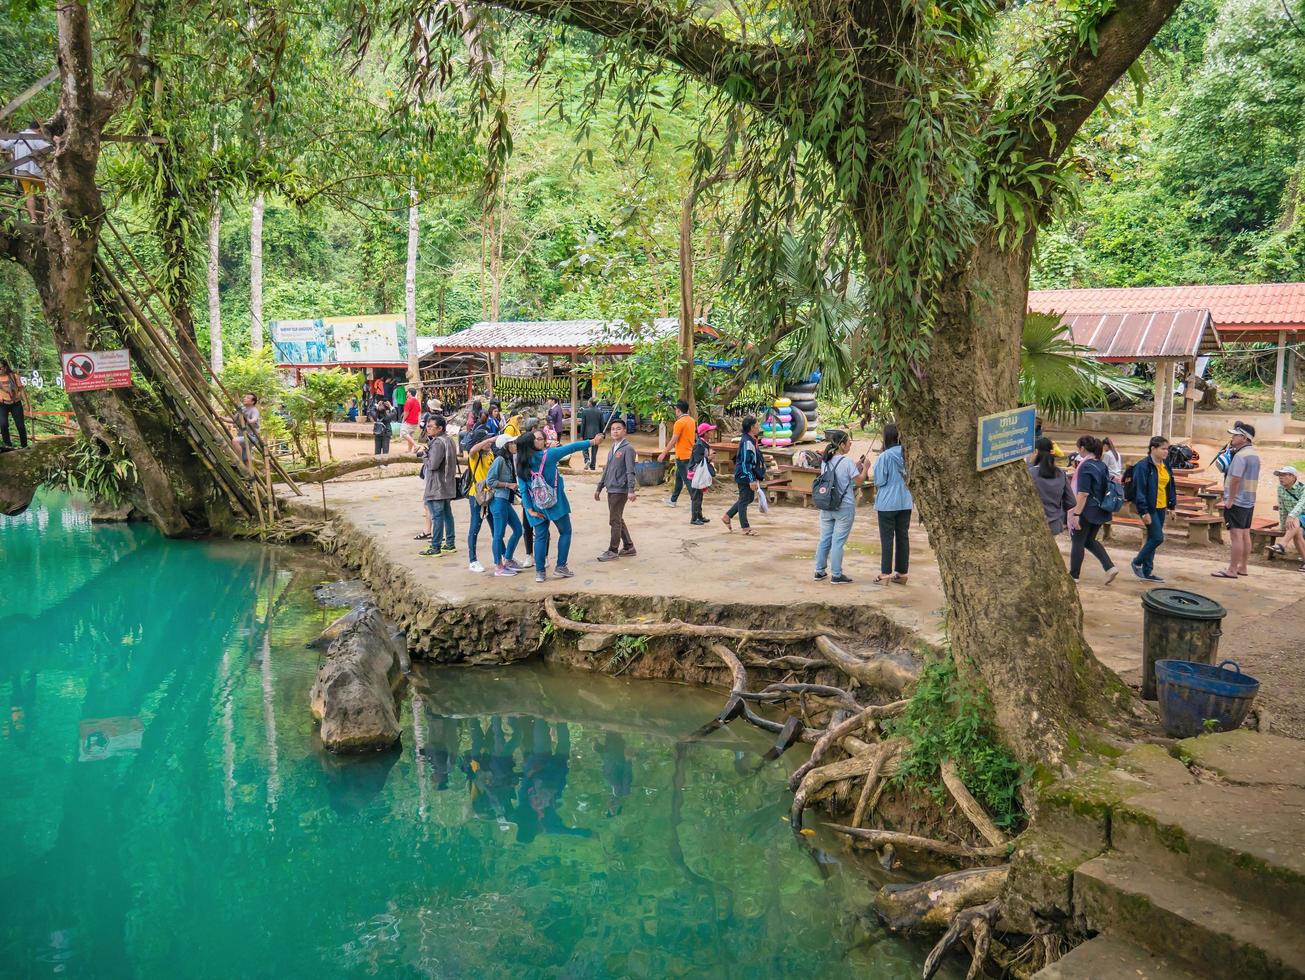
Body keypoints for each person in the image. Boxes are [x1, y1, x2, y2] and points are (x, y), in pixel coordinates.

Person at [516, 428, 602, 582]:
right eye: (535, 439)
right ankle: (560, 567)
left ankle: (540, 573)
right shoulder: (548, 455)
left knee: (540, 537)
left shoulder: (521, 463)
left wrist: (529, 510)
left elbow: (523, 490)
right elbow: (572, 447)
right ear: (531, 444)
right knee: (566, 532)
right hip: (556, 503)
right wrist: (593, 441)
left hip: (536, 505)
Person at [813, 429, 871, 584]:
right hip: (844, 507)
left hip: (826, 505)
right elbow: (858, 482)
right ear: (842, 444)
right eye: (849, 442)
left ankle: (819, 571)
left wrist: (856, 465)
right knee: (838, 541)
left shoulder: (825, 461)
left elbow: (839, 476)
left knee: (824, 539)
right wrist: (865, 467)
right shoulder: (846, 462)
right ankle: (837, 575)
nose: (850, 445)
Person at [1068, 434, 1119, 584]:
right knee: (1089, 540)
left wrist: (1076, 513)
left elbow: (1083, 493)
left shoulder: (1085, 466)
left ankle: (1074, 575)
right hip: (1100, 508)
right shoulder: (1101, 465)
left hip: (1086, 509)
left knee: (1077, 541)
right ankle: (1109, 567)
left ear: (1082, 448)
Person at [1214, 421, 1260, 579]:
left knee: (1236, 536)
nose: (1232, 437)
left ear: (1244, 438)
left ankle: (1232, 570)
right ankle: (1243, 567)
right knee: (1245, 534)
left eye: (1235, 435)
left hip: (1237, 501)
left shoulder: (1240, 456)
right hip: (1249, 500)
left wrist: (1230, 500)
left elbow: (1235, 479)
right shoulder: (1254, 455)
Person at [1130, 435, 1175, 582]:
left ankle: (1147, 572)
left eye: (1167, 449)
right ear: (1152, 449)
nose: (1166, 452)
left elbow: (1170, 486)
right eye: (1163, 449)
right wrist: (1143, 511)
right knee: (1157, 537)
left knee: (1152, 538)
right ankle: (1137, 562)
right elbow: (1139, 490)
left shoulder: (1165, 465)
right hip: (1150, 508)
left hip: (1162, 506)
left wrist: (1171, 506)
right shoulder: (1143, 466)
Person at [873, 422, 913, 584]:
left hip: (887, 504)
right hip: (905, 502)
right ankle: (902, 573)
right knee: (903, 537)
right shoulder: (908, 455)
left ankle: (885, 573)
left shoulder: (885, 456)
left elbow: (880, 481)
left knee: (887, 538)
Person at [594, 417, 638, 561]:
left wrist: (631, 489)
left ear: (624, 431)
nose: (615, 431)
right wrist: (599, 487)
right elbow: (606, 470)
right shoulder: (612, 448)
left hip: (620, 489)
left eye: (618, 428)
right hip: (610, 488)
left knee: (614, 520)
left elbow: (630, 470)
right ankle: (629, 546)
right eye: (613, 429)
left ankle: (613, 550)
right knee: (617, 518)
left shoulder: (628, 449)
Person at [485, 435, 525, 576]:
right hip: (498, 501)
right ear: (506, 446)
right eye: (512, 443)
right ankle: (499, 567)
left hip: (505, 501)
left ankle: (507, 559)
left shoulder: (509, 460)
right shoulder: (500, 460)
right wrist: (508, 485)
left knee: (518, 529)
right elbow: (489, 481)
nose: (515, 445)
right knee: (498, 535)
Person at [419, 415, 458, 556]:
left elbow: (433, 465)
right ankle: (450, 543)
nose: (427, 429)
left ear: (440, 428)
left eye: (430, 426)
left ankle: (435, 547)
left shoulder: (437, 443)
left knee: (437, 516)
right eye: (427, 426)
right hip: (448, 484)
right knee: (447, 514)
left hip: (437, 486)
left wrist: (424, 455)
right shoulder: (449, 440)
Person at [723, 416, 764, 535]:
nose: (758, 427)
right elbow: (746, 462)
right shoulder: (747, 442)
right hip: (744, 475)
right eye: (757, 425)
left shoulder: (751, 440)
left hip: (748, 474)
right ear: (752, 427)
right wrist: (751, 479)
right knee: (744, 499)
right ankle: (745, 527)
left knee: (748, 498)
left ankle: (727, 516)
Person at [0, 122, 49, 222]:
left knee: (29, 194)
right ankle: (46, 216)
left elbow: (5, 145)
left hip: (21, 171)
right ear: (38, 130)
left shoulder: (18, 136)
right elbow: (47, 148)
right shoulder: (35, 137)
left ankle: (33, 218)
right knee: (46, 194)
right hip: (35, 171)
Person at [1028, 437, 1074, 535]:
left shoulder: (1030, 474)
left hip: (1034, 525)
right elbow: (1071, 501)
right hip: (1055, 524)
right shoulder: (1061, 473)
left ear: (1036, 451)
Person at [464, 428, 495, 573]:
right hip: (476, 496)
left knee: (496, 528)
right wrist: (487, 441)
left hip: (490, 495)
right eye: (486, 441)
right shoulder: (475, 456)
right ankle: (473, 560)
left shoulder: (490, 454)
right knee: (475, 527)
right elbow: (471, 450)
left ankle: (501, 557)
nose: (490, 443)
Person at [659, 399, 696, 507]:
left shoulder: (679, 422)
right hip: (689, 453)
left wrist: (664, 453)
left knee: (687, 480)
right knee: (679, 478)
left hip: (682, 455)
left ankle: (695, 503)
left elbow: (674, 439)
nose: (675, 411)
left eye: (676, 410)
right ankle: (673, 500)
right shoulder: (691, 420)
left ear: (678, 411)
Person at [1271, 465, 1305, 570]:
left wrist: (1291, 515)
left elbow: (1301, 504)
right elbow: (1282, 508)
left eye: (1283, 475)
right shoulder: (1280, 489)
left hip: (1298, 517)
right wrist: (1282, 525)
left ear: (1293, 477)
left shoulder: (1303, 488)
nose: (1280, 477)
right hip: (1295, 522)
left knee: (1294, 519)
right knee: (1297, 531)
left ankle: (1282, 544)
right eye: (1279, 475)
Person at [688, 422, 716, 525]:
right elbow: (698, 460)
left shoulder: (703, 444)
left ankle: (699, 515)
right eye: (710, 432)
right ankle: (694, 518)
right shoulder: (699, 445)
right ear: (705, 433)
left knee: (699, 496)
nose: (712, 433)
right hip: (696, 474)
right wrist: (709, 458)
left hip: (698, 473)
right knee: (696, 496)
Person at [0, 359, 31, 450]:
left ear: (5, 367)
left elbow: (21, 390)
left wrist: (26, 403)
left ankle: (24, 445)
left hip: (16, 403)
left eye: (0, 368)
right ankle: (8, 445)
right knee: (3, 424)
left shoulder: (14, 376)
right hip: (2, 404)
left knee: (20, 425)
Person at [229, 393, 260, 468]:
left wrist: (249, 420)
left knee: (234, 441)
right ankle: (250, 477)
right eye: (245, 397)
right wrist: (222, 418)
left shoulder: (254, 410)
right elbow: (234, 420)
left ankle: (238, 462)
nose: (245, 398)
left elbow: (254, 419)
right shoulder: (242, 409)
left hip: (251, 437)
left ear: (253, 402)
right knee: (246, 459)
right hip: (242, 437)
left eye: (248, 398)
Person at [580, 399, 605, 469]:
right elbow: (602, 424)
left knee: (584, 448)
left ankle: (587, 460)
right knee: (594, 450)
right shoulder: (599, 412)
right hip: (597, 434)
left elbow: (583, 424)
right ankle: (593, 465)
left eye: (588, 402)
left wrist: (581, 435)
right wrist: (603, 434)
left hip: (586, 433)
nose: (587, 403)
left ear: (590, 403)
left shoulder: (585, 411)